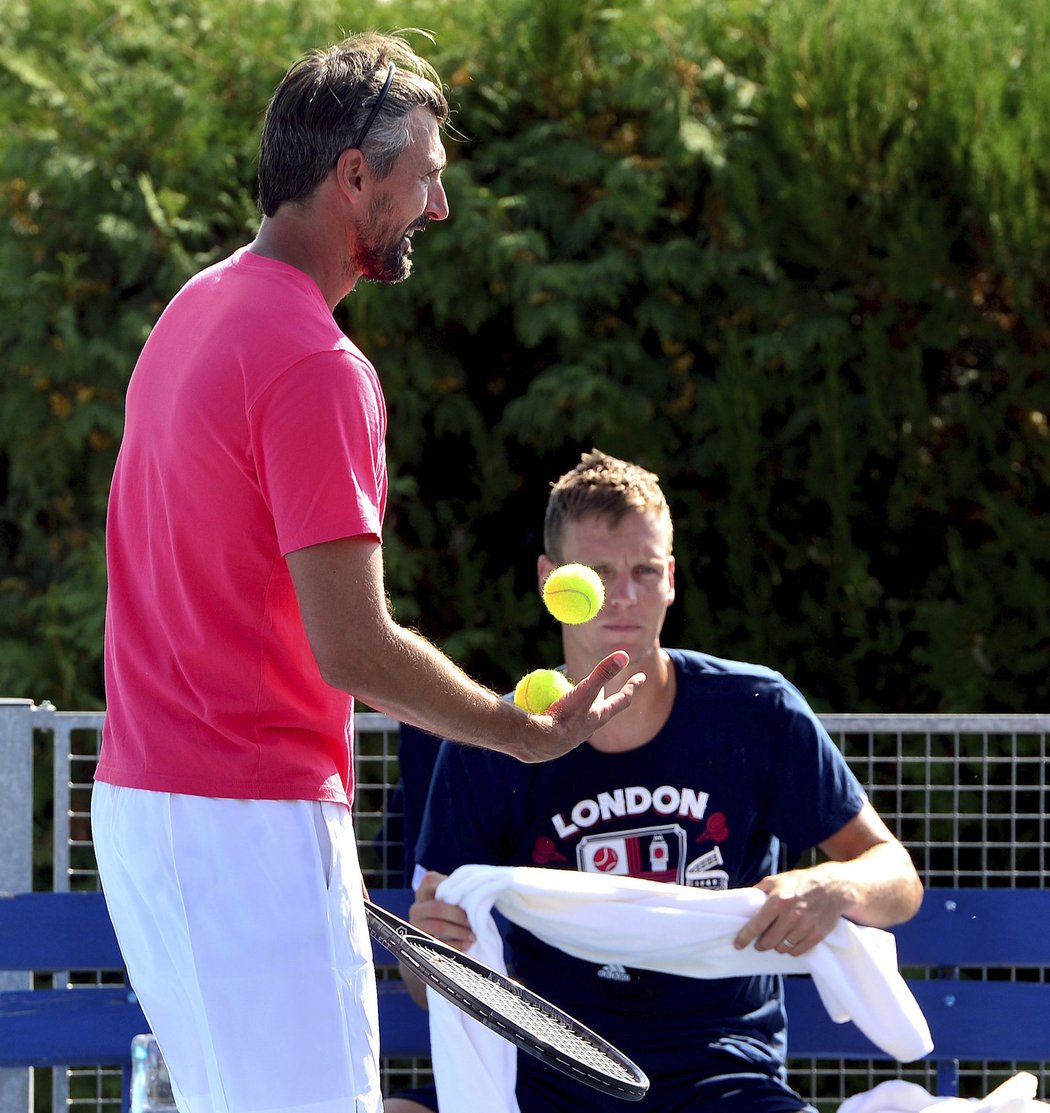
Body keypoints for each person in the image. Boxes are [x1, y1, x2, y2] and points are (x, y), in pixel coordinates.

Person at [90, 39, 644, 1113]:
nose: (436, 204)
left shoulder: (194, 308)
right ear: (355, 175)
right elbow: (351, 650)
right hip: (244, 820)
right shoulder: (317, 364)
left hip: (148, 808)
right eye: (425, 174)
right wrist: (517, 729)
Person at [387, 449, 923, 1113]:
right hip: (544, 1069)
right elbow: (423, 973)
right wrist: (431, 953)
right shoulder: (492, 741)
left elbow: (896, 877)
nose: (625, 594)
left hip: (720, 1071)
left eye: (645, 570)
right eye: (598, 573)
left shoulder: (757, 709)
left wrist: (832, 885)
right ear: (551, 580)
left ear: (671, 577)